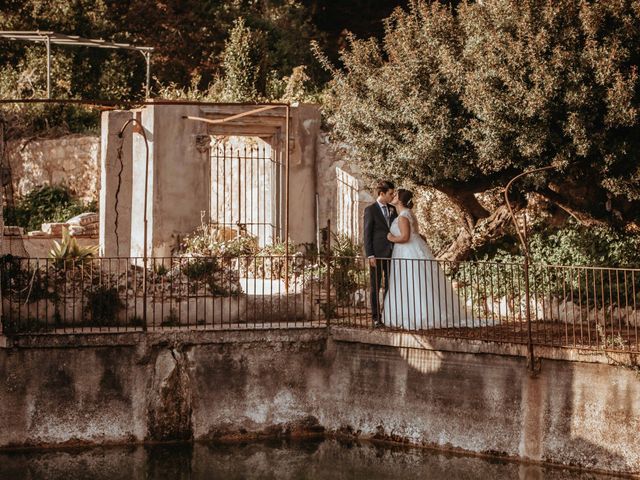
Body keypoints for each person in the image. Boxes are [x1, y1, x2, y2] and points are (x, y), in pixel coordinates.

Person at [383, 189, 473, 329]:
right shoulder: (409, 214)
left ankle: (418, 315)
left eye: (395, 195)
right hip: (414, 249)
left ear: (400, 200)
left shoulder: (402, 217)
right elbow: (417, 234)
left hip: (406, 251)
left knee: (410, 281)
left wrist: (390, 237)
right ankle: (426, 312)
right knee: (417, 281)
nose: (393, 196)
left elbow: (405, 237)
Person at [363, 180, 397, 327]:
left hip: (392, 252)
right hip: (376, 255)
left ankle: (388, 314)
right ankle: (376, 318)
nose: (393, 196)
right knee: (375, 286)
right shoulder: (370, 210)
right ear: (382, 193)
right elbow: (367, 234)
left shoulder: (393, 209)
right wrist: (370, 254)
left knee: (391, 285)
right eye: (390, 193)